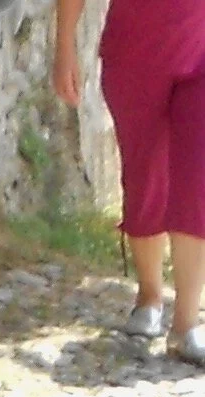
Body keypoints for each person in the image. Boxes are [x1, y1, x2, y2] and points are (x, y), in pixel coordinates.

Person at [55, 0, 205, 361]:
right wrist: (64, 49)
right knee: (143, 176)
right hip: (135, 51)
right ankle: (150, 294)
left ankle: (186, 322)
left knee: (197, 180)